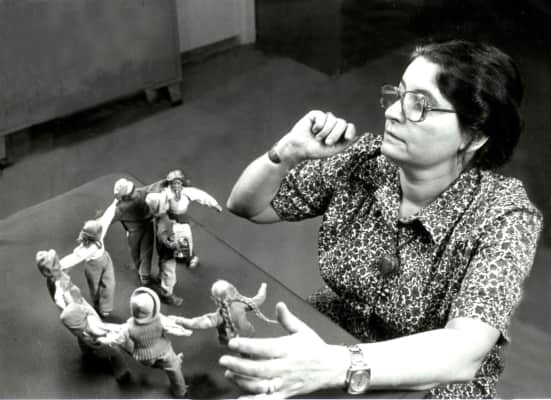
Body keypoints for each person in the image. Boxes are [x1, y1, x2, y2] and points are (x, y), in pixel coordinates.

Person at [222, 40, 543, 398]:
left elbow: (463, 352)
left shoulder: (504, 214)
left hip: (431, 382)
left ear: (474, 136)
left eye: (419, 105)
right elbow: (248, 206)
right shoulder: (366, 159)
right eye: (398, 94)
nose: (392, 112)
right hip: (337, 337)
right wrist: (287, 153)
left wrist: (334, 365)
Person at [98, 287, 192, 398]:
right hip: (164, 350)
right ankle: (180, 392)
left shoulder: (128, 327)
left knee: (140, 354)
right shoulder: (160, 319)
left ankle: (164, 364)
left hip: (144, 356)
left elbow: (118, 339)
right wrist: (184, 331)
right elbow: (172, 327)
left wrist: (105, 339)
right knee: (174, 368)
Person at [169, 280, 276, 346]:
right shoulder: (243, 303)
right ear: (234, 292)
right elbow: (260, 299)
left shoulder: (218, 317)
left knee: (232, 343)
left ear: (215, 300)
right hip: (248, 333)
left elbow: (196, 323)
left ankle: (234, 349)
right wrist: (263, 287)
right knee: (247, 349)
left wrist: (179, 320)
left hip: (230, 340)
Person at [59, 285, 131, 383]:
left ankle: (86, 352)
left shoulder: (75, 326)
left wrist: (67, 293)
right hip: (99, 344)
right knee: (115, 352)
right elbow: (106, 329)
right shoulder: (92, 324)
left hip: (85, 339)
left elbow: (72, 308)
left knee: (82, 342)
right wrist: (122, 329)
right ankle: (121, 372)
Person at [60, 199, 118, 317]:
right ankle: (98, 305)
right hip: (93, 266)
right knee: (95, 287)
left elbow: (106, 218)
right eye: (100, 232)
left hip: (105, 259)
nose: (102, 231)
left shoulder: (99, 231)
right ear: (95, 236)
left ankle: (106, 306)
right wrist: (59, 265)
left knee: (110, 283)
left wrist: (115, 202)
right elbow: (74, 258)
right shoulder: (87, 249)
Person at [163, 169, 223, 268]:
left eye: (178, 183)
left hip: (182, 219)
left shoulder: (187, 192)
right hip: (169, 218)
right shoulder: (166, 192)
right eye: (174, 183)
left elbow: (202, 195)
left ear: (182, 183)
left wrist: (215, 204)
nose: (176, 186)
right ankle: (179, 253)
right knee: (173, 238)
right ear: (170, 184)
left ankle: (190, 258)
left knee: (186, 238)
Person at [112, 177, 163, 286]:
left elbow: (109, 219)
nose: (134, 192)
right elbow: (152, 188)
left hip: (133, 232)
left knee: (136, 251)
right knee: (145, 250)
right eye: (131, 191)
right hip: (146, 227)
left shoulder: (120, 208)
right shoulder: (139, 194)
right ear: (126, 196)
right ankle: (144, 276)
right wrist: (166, 181)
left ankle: (142, 272)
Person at [144, 192, 185, 306]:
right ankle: (167, 294)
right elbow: (163, 238)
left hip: (163, 252)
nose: (167, 204)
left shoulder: (161, 218)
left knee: (163, 266)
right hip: (168, 253)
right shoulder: (163, 223)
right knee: (169, 273)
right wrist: (174, 245)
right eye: (164, 203)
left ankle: (160, 278)